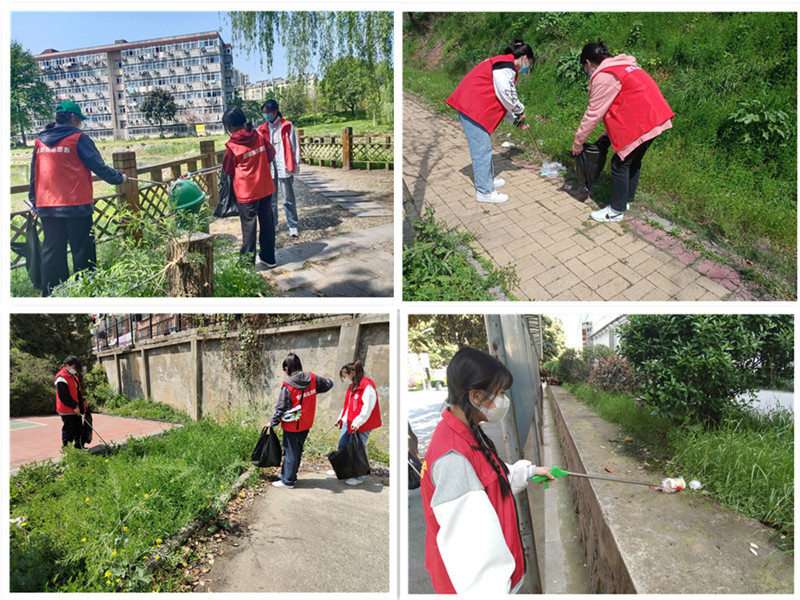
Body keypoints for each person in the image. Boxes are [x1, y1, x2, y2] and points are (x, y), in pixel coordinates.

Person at [421, 347, 554, 594]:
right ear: (475, 396)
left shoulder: (467, 432)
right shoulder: (453, 458)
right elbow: (473, 555)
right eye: (500, 393)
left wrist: (529, 471)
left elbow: (491, 478)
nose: (504, 400)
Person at [29, 101, 127, 296]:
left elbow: (34, 174)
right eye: (80, 119)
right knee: (83, 251)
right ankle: (87, 291)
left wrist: (34, 201)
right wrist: (119, 177)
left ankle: (53, 294)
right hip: (76, 205)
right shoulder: (78, 138)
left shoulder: (40, 141)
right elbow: (97, 165)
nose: (81, 123)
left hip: (47, 206)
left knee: (52, 252)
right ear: (73, 118)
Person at [572, 40, 674, 223]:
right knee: (632, 162)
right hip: (655, 116)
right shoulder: (624, 65)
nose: (586, 72)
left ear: (587, 62)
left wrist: (578, 142)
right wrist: (607, 134)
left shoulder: (604, 76)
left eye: (584, 68)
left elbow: (593, 114)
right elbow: (623, 102)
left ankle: (616, 210)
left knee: (619, 163)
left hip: (642, 121)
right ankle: (625, 200)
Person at [446, 38, 534, 204]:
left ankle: (487, 180)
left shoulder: (502, 63)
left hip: (474, 106)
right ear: (524, 57)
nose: (527, 67)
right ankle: (485, 192)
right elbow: (506, 94)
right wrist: (519, 109)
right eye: (529, 63)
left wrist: (516, 121)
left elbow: (502, 100)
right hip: (471, 107)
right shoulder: (505, 66)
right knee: (482, 149)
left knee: (484, 147)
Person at [221, 106, 277, 270]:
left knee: (249, 229)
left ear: (230, 127)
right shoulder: (259, 134)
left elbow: (227, 169)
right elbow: (271, 154)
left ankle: (246, 265)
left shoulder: (232, 145)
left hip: (247, 192)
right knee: (267, 224)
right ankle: (269, 258)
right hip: (265, 187)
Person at [268, 352, 334, 488]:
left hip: (292, 424)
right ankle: (290, 475)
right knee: (297, 450)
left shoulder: (288, 384)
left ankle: (288, 481)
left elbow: (281, 406)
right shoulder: (313, 378)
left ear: (287, 368)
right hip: (306, 422)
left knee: (290, 452)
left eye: (284, 369)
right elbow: (329, 384)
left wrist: (273, 422)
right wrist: (313, 391)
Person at [331, 360, 382, 486]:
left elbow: (367, 408)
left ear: (352, 373)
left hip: (362, 424)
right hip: (350, 422)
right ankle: (343, 469)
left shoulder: (367, 385)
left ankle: (359, 476)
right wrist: (341, 417)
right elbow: (348, 405)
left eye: (346, 376)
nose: (345, 379)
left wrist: (358, 422)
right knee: (343, 445)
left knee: (358, 448)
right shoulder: (353, 385)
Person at [258, 99, 301, 237]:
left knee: (288, 197)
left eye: (268, 113)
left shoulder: (287, 126)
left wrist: (296, 164)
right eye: (264, 113)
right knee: (271, 199)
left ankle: (292, 225)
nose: (266, 115)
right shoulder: (261, 129)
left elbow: (294, 147)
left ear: (275, 111)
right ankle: (273, 224)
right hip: (269, 166)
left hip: (284, 164)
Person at [55, 356, 86, 449]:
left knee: (79, 429)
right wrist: (74, 406)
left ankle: (79, 447)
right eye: (74, 368)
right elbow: (64, 396)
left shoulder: (73, 377)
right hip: (67, 409)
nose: (75, 370)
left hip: (75, 409)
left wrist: (82, 403)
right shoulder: (61, 378)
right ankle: (67, 450)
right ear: (67, 365)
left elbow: (77, 392)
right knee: (69, 430)